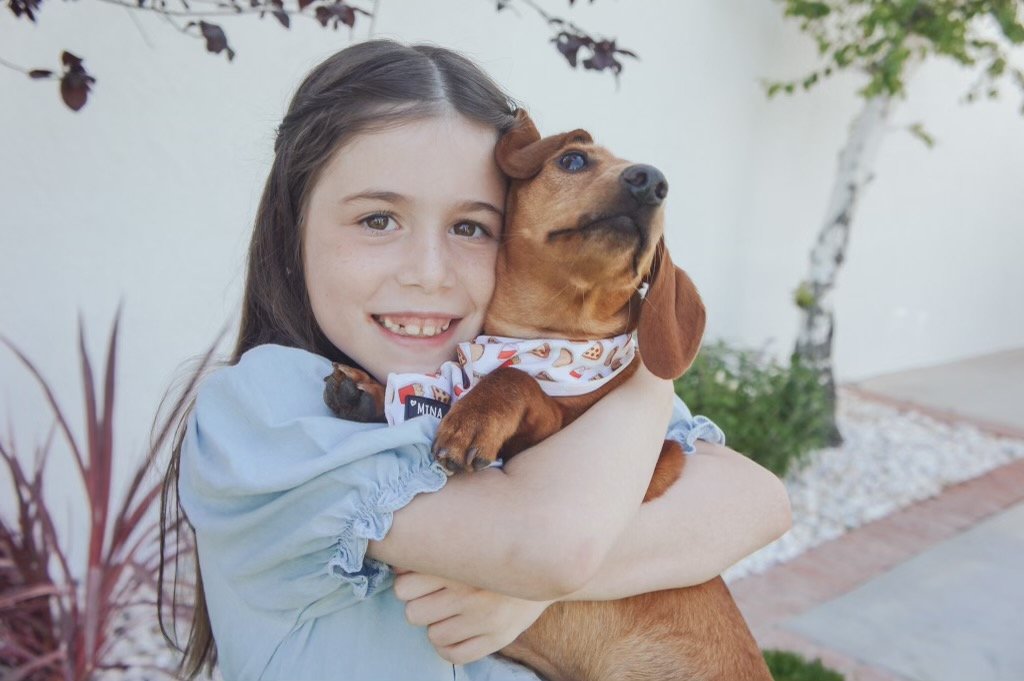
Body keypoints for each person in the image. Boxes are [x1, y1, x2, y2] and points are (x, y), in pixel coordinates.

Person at [159, 39, 792, 681]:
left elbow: (762, 501)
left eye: (470, 228)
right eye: (378, 220)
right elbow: (552, 546)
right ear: (292, 233)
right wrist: (640, 391)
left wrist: (529, 594)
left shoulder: (541, 376)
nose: (428, 274)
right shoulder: (264, 411)